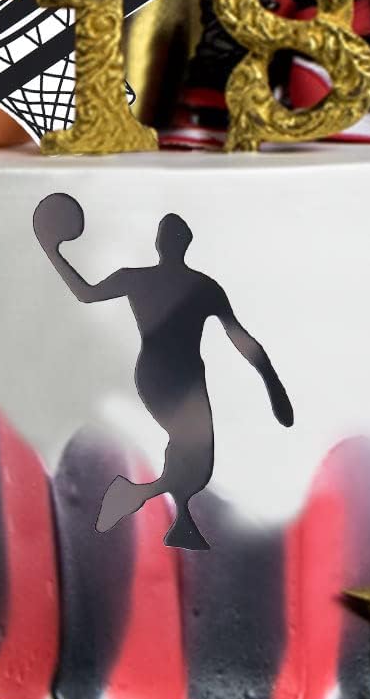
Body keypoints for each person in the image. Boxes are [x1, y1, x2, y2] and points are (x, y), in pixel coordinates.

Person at [33, 191, 293, 550]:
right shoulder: (192, 286)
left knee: (197, 458)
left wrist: (271, 379)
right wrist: (270, 379)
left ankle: (173, 516)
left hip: (173, 375)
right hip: (169, 375)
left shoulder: (191, 286)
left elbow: (239, 337)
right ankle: (142, 499)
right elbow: (87, 294)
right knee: (194, 453)